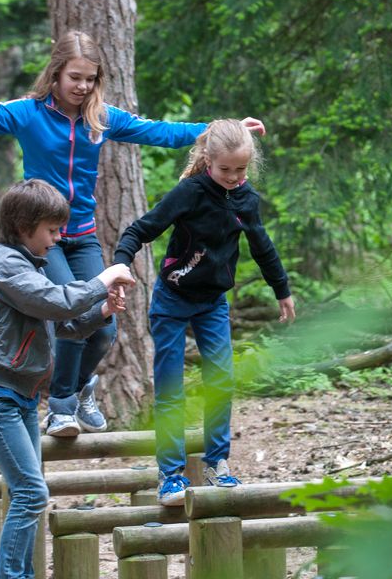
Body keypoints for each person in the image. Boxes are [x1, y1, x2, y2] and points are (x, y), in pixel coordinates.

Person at [0, 31, 266, 437]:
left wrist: (223, 130)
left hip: (82, 235)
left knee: (105, 326)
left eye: (90, 79)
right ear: (56, 74)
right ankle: (61, 408)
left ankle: (82, 388)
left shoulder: (101, 118)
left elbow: (159, 132)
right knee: (73, 312)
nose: (82, 87)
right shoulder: (26, 112)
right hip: (44, 239)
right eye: (75, 77)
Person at [113, 118, 296, 506]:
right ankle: (171, 476)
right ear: (207, 160)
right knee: (170, 387)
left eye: (241, 170)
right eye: (225, 169)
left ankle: (218, 462)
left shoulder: (246, 199)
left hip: (213, 302)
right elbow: (140, 230)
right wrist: (120, 264)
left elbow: (262, 247)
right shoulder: (190, 193)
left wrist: (281, 290)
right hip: (172, 298)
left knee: (221, 380)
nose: (233, 177)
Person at [0, 179, 135, 579]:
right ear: (25, 227)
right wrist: (102, 280)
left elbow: (67, 323)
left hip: (19, 396)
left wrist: (103, 312)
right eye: (52, 231)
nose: (57, 240)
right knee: (30, 492)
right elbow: (54, 302)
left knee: (30, 493)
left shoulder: (26, 265)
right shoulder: (5, 265)